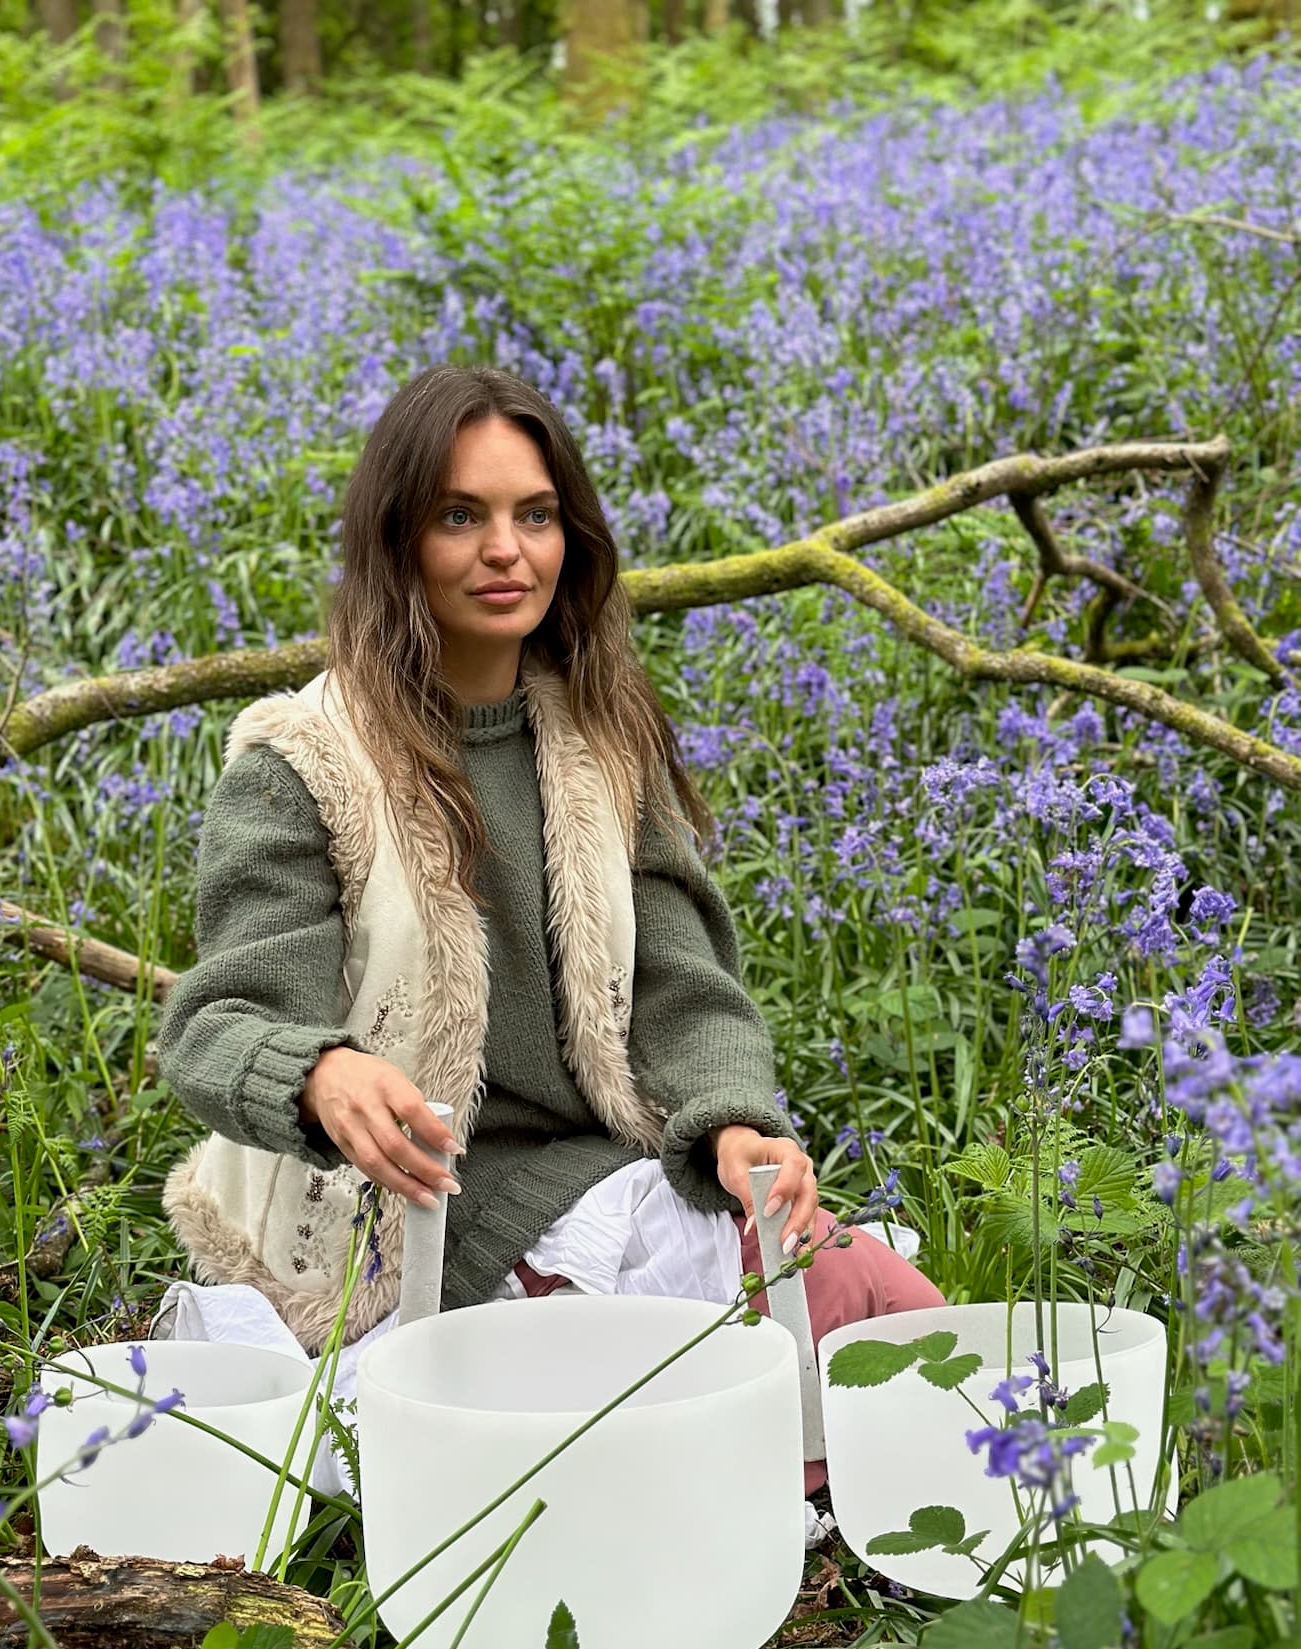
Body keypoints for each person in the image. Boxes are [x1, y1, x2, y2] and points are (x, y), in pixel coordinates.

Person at [156, 363, 943, 1497]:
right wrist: (320, 1073)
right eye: (460, 517)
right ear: (396, 539)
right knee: (644, 1402)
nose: (505, 551)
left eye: (535, 515)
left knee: (862, 1295)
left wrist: (731, 1122)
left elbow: (681, 984)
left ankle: (972, 1527)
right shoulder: (304, 763)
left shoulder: (599, 737)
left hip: (595, 1171)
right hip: (401, 1235)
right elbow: (218, 1022)